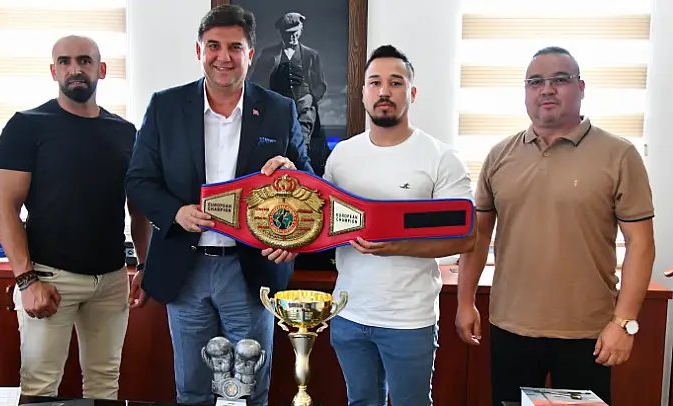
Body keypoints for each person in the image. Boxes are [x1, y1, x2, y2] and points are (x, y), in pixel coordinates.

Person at [124, 5, 313, 406]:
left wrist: (293, 174)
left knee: (248, 391)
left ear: (250, 53)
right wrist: (176, 212)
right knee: (193, 390)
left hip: (250, 270)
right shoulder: (165, 107)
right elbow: (138, 181)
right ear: (199, 51)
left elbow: (309, 184)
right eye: (213, 46)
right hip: (185, 268)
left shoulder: (279, 110)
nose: (223, 57)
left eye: (234, 47)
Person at [455, 46, 655, 406]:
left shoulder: (619, 154)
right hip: (511, 327)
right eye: (535, 82)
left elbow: (640, 243)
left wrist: (623, 323)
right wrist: (465, 302)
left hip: (588, 332)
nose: (546, 89)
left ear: (581, 87)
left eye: (560, 79)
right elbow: (478, 235)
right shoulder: (499, 155)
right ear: (525, 92)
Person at [0, 35, 151, 399]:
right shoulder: (26, 126)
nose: (74, 69)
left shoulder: (125, 132)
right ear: (53, 71)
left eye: (84, 60)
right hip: (48, 278)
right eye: (64, 62)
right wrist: (26, 281)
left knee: (104, 383)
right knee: (40, 386)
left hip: (111, 280)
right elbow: (5, 209)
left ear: (102, 69)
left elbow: (138, 207)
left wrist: (144, 265)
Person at [324, 44, 476, 406]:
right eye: (375, 83)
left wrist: (396, 246)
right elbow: (323, 222)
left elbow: (465, 239)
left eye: (395, 83)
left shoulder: (441, 157)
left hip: (409, 319)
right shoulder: (342, 155)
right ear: (363, 93)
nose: (384, 91)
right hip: (348, 313)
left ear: (412, 92)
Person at [248, 11, 330, 176]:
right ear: (281, 33)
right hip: (276, 109)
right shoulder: (268, 54)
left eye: (296, 32)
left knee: (304, 148)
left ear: (301, 30)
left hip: (304, 108)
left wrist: (309, 99)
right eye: (288, 33)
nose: (292, 37)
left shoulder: (311, 55)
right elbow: (255, 82)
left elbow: (320, 84)